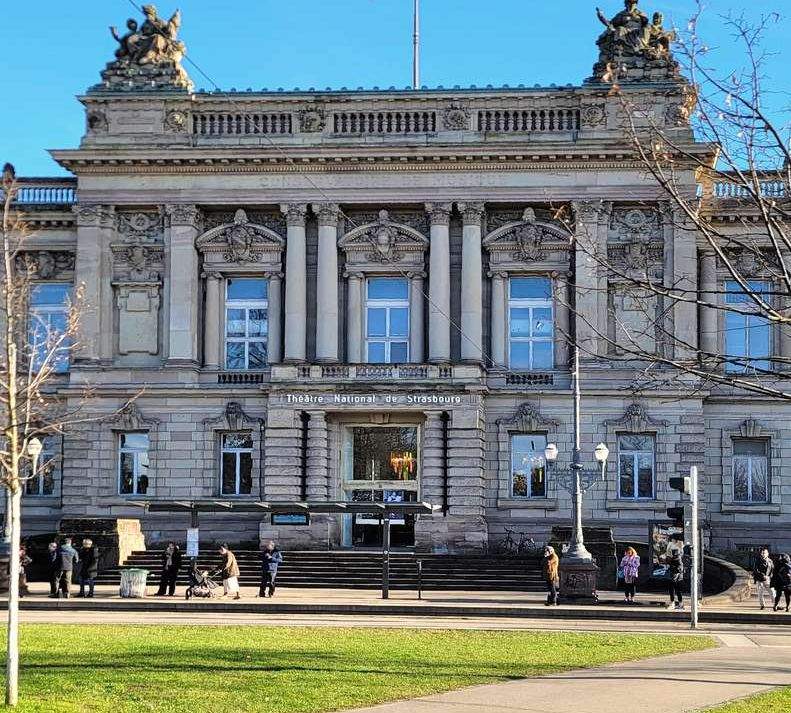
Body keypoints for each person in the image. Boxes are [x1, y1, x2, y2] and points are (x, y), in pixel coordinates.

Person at [668, 545, 685, 610]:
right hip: (677, 578)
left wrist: (672, 567)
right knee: (678, 591)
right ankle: (680, 604)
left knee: (673, 590)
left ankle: (674, 603)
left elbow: (678, 569)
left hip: (675, 578)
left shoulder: (677, 559)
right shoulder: (678, 558)